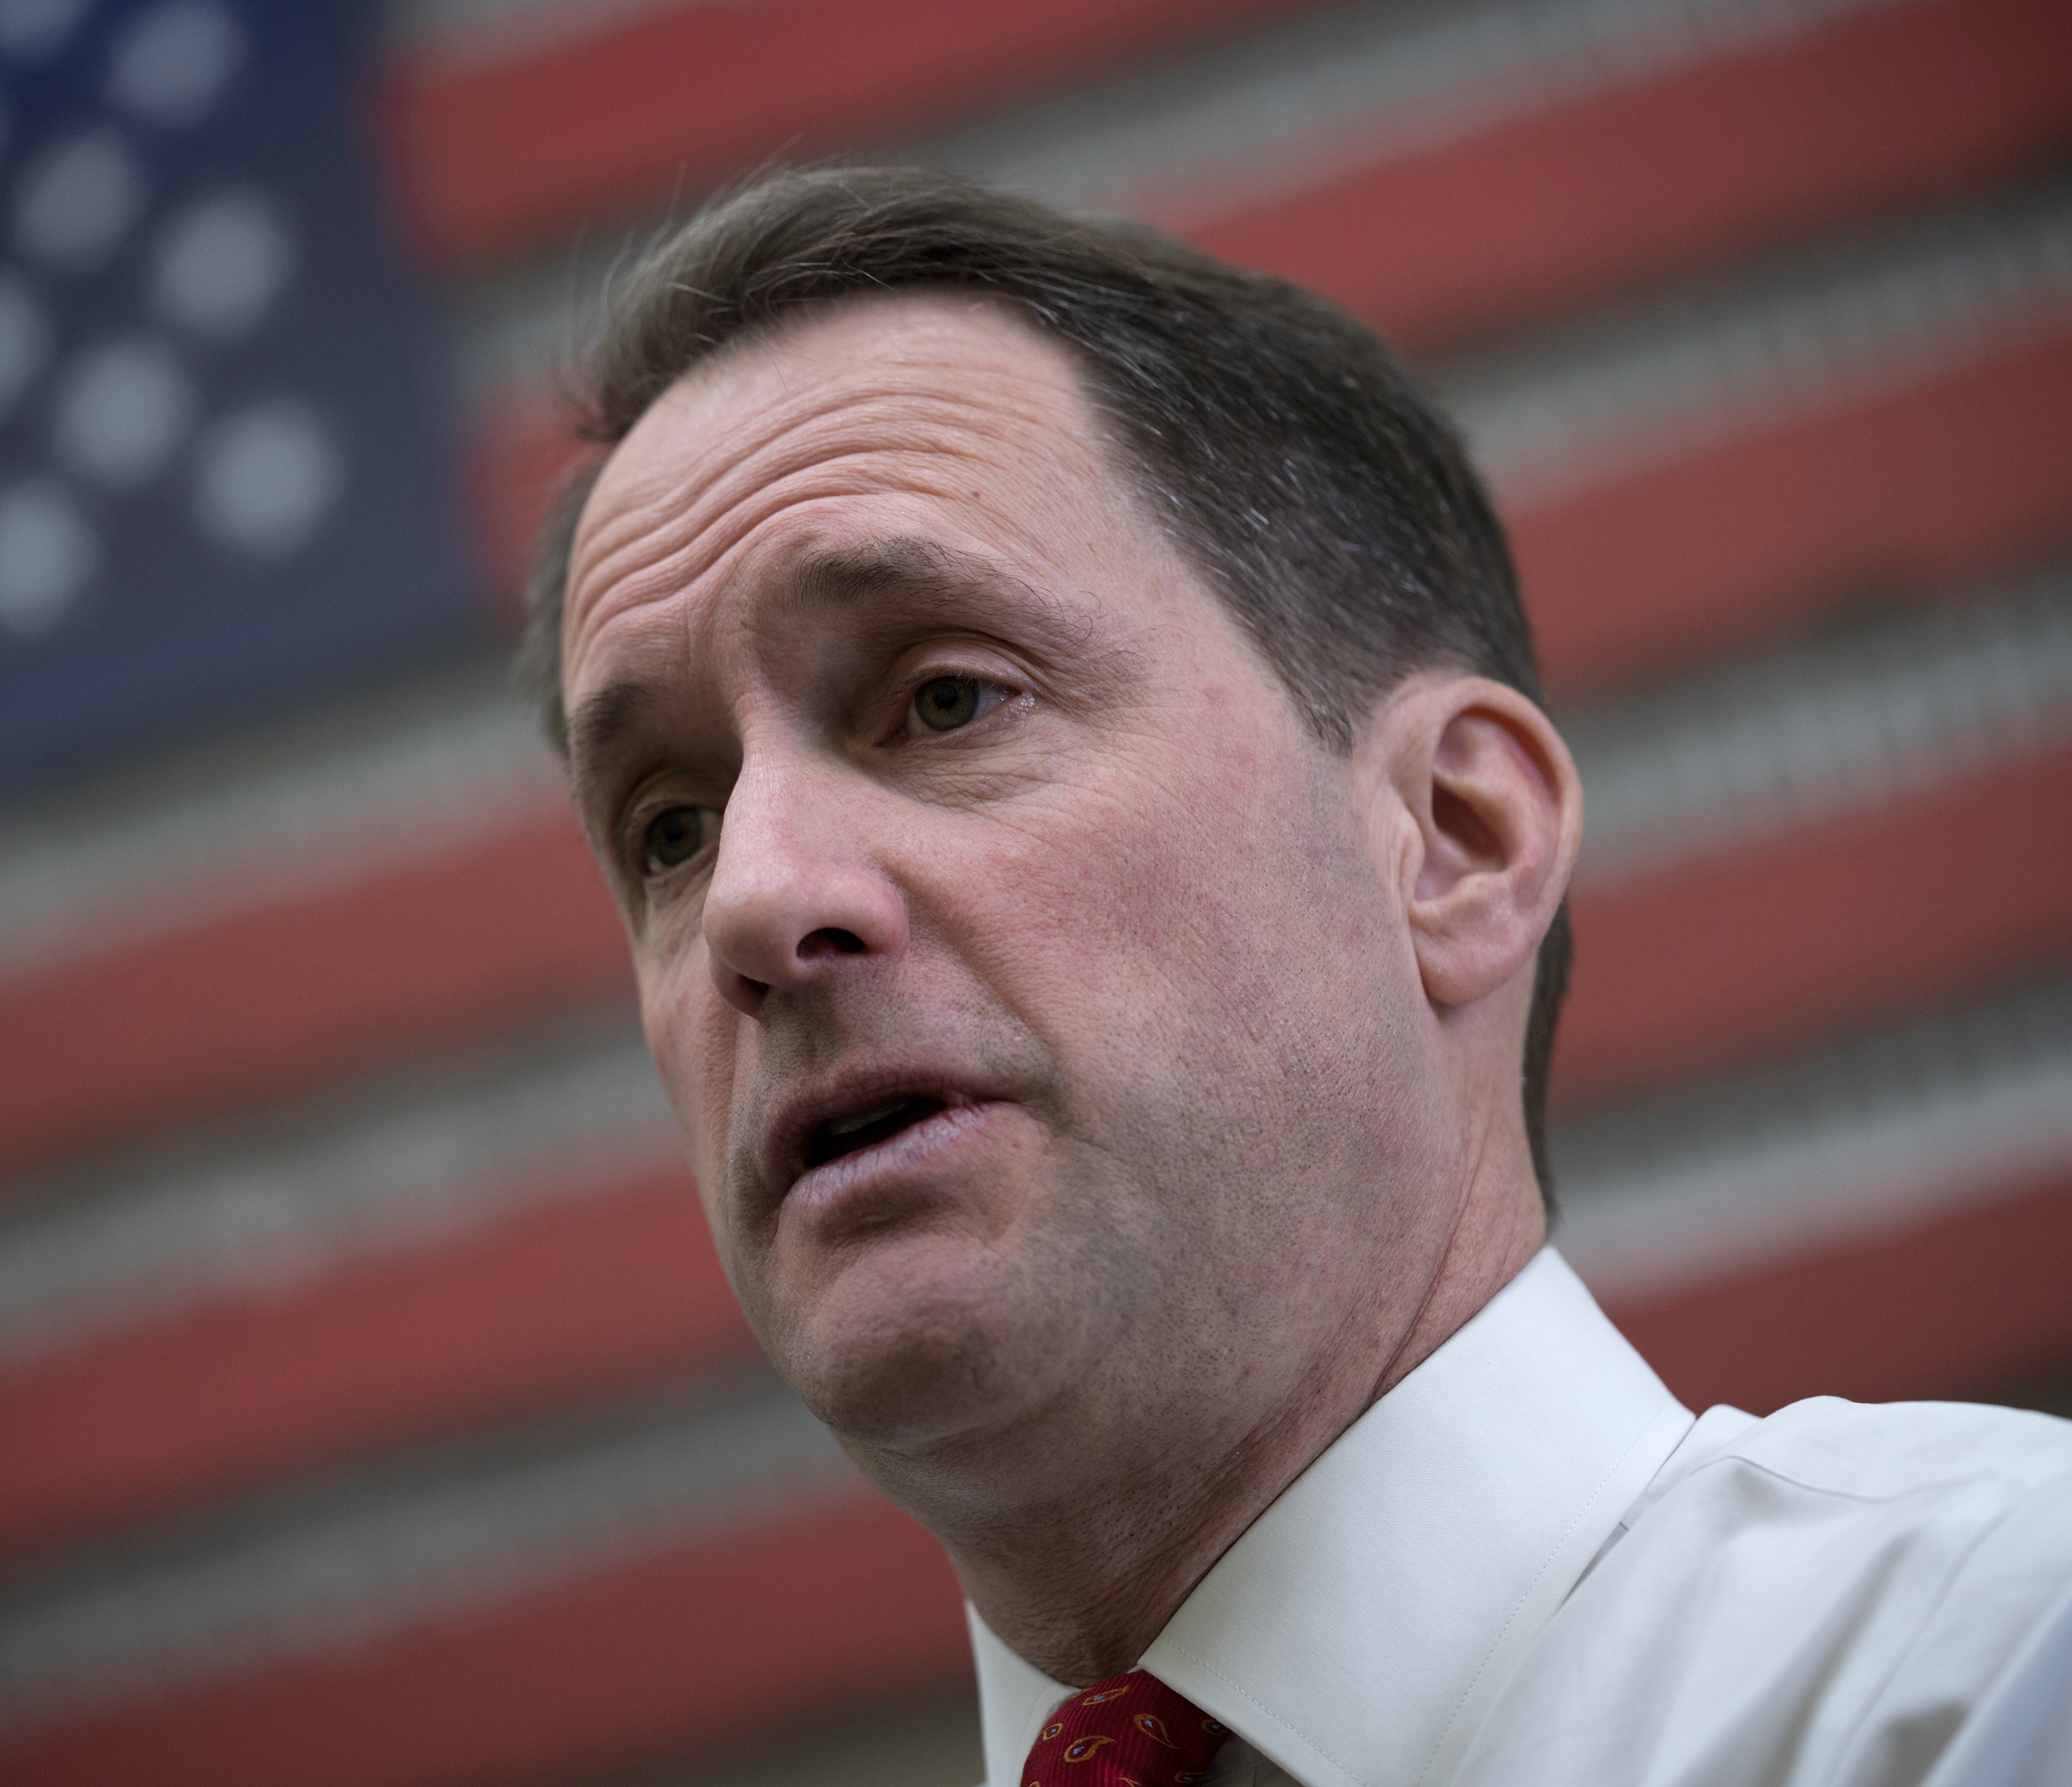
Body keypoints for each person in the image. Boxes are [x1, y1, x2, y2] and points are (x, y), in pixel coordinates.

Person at [519, 167, 2072, 1786]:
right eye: (672, 829)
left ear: (1452, 842)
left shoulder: (1991, 1665)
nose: (756, 900)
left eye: (946, 701)